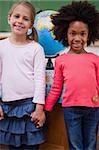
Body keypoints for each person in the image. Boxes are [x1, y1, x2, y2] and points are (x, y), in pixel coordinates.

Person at [44, 1, 99, 150]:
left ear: (89, 34)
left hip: (93, 110)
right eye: (72, 33)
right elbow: (56, 87)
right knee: (75, 146)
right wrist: (47, 108)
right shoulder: (61, 60)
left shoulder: (95, 59)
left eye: (82, 34)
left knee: (91, 144)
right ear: (65, 34)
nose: (77, 38)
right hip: (71, 110)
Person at [0, 1, 46, 150]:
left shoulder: (36, 49)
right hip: (8, 108)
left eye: (25, 19)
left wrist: (39, 108)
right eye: (17, 16)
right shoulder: (1, 47)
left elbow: (40, 80)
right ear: (9, 18)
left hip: (29, 108)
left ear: (31, 24)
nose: (20, 21)